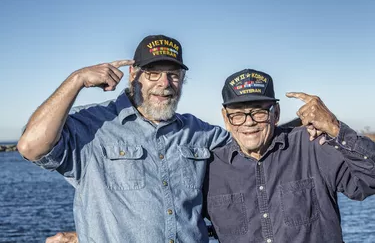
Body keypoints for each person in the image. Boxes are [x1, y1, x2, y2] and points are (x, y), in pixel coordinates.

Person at [17, 34, 230, 243]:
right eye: (153, 73)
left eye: (173, 74)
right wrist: (77, 79)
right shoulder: (92, 125)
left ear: (182, 79)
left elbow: (252, 155)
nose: (164, 83)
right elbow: (31, 146)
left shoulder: (201, 133)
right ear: (133, 74)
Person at [203, 68, 375, 243]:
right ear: (226, 118)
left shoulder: (312, 145)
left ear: (276, 113)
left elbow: (369, 180)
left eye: (258, 112)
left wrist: (334, 127)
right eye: (238, 114)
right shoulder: (209, 168)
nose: (249, 122)